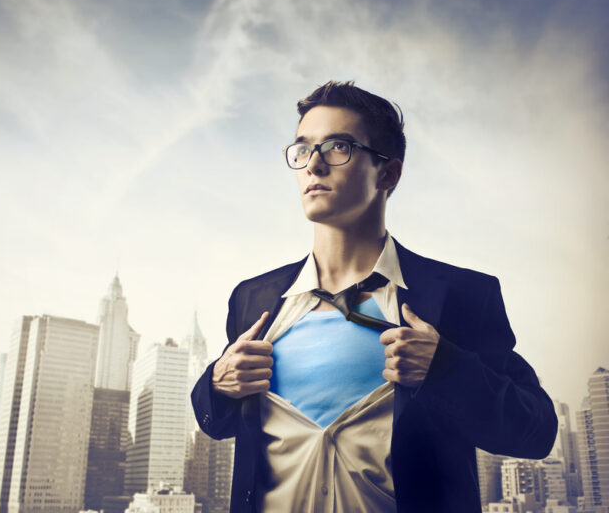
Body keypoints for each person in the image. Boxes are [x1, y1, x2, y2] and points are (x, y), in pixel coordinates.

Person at [190, 81, 558, 513]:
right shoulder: (254, 299)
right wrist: (218, 385)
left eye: (338, 147)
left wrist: (444, 367)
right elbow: (219, 423)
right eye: (303, 149)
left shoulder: (461, 295)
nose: (314, 165)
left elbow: (535, 432)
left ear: (388, 173)